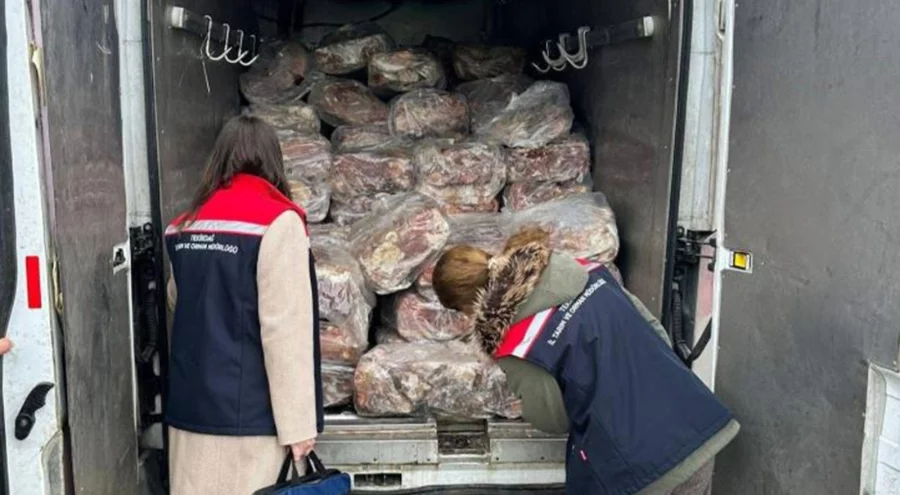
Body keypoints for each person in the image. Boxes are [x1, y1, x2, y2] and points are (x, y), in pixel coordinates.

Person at [432, 228, 739, 495]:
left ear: (468, 304)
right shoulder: (587, 271)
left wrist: (522, 396)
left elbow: (552, 419)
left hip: (640, 466)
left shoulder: (518, 343)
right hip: (693, 424)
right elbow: (657, 332)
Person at [164, 112, 323, 494]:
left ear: (219, 159)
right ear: (273, 161)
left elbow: (177, 300)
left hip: (190, 412)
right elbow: (284, 330)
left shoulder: (185, 226)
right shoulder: (277, 224)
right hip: (249, 420)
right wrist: (299, 426)